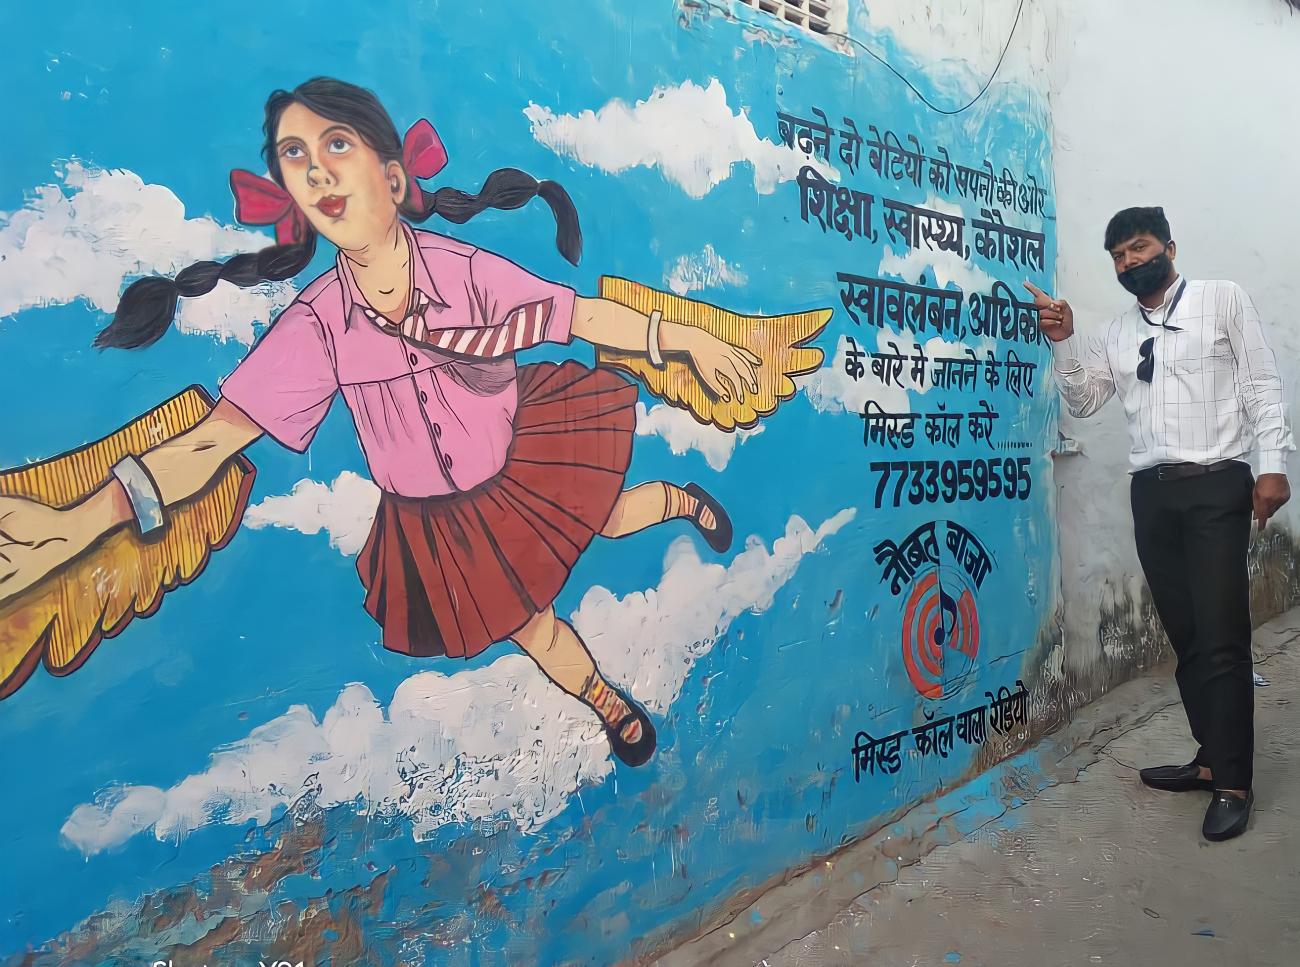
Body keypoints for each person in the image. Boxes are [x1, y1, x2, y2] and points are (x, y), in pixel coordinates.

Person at [0, 77, 773, 768]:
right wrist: (77, 525)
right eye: (294, 157)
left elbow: (578, 315)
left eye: (335, 144)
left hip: (516, 456)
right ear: (292, 205)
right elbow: (209, 443)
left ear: (392, 174)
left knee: (605, 516)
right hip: (440, 521)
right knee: (530, 626)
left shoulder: (463, 272)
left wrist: (687, 336)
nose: (315, 169)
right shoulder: (316, 325)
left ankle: (680, 498)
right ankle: (607, 702)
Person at [1024, 206, 1293, 841]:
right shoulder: (1118, 333)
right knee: (1188, 634)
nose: (1129, 263)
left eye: (1138, 249)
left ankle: (1233, 781)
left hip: (1216, 486)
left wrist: (1272, 467)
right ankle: (1209, 758)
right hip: (1153, 495)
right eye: (1118, 257)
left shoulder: (1221, 300)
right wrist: (1064, 338)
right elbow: (1086, 398)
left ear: (1168, 247)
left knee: (1222, 637)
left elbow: (1259, 383)